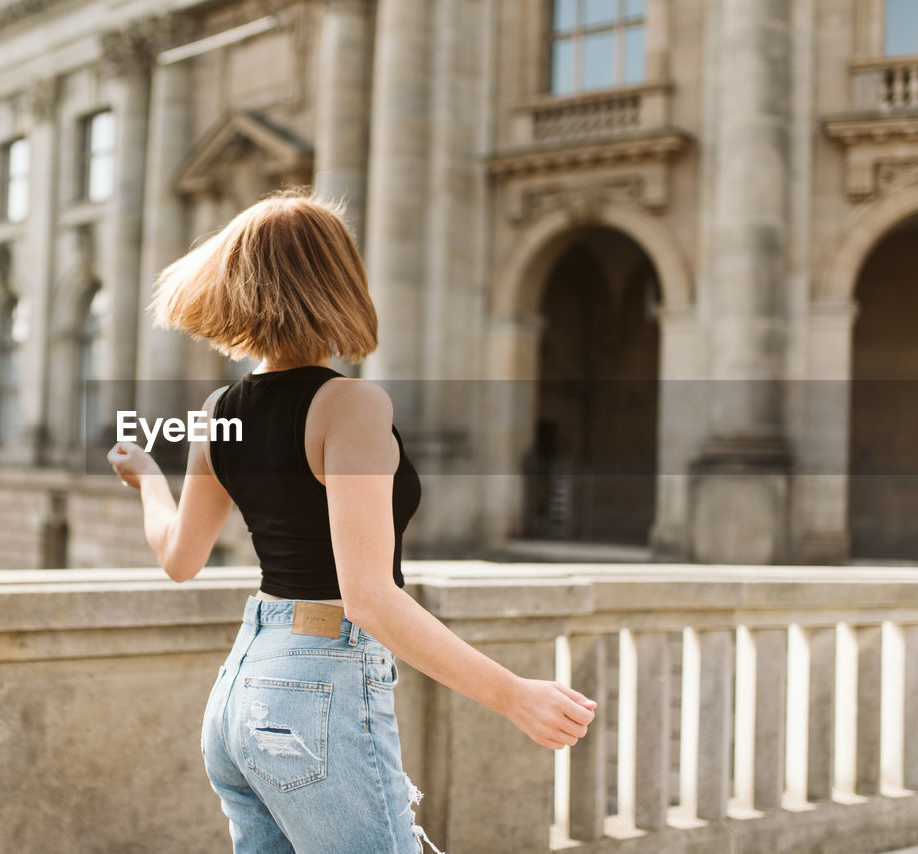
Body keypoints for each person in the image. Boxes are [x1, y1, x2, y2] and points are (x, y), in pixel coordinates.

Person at [107, 188, 597, 854]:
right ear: (338, 281)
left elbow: (178, 559)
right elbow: (368, 599)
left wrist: (149, 482)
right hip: (316, 688)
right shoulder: (350, 406)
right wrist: (513, 694)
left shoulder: (218, 410)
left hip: (239, 694)